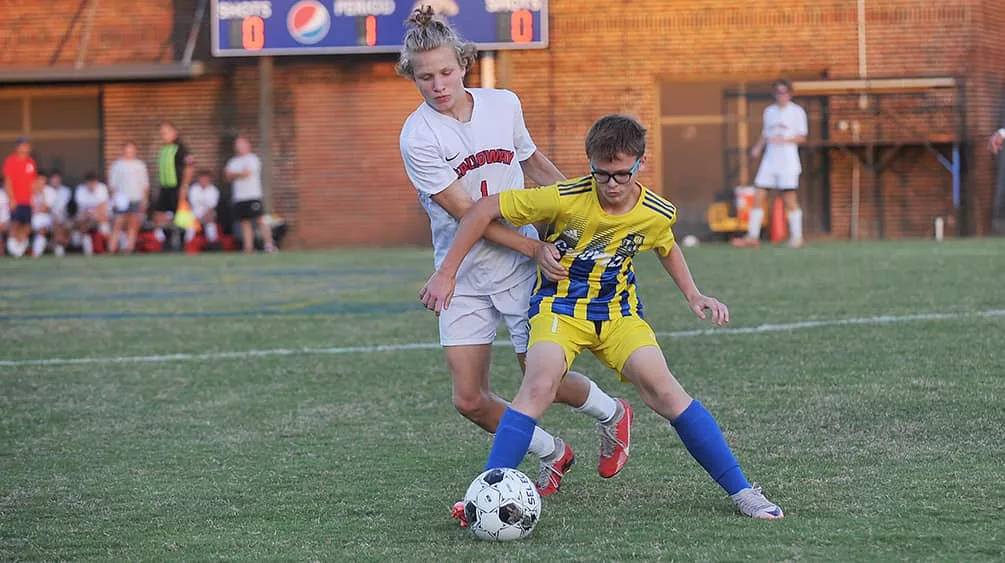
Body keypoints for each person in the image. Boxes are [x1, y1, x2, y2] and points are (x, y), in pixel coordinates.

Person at [421, 114, 785, 520]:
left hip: (618, 315)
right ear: (590, 164)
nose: (611, 184)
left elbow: (665, 246)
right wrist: (448, 271)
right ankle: (485, 495)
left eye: (622, 175)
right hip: (559, 309)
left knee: (665, 392)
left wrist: (693, 293)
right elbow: (483, 209)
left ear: (639, 165)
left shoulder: (655, 211)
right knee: (539, 384)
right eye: (602, 174)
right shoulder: (563, 196)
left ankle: (743, 491)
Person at [399, 5, 633, 505]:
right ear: (412, 78)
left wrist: (588, 206)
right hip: (465, 272)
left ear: (462, 63)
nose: (437, 85)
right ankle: (552, 451)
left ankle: (613, 414)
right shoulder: (418, 136)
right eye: (424, 78)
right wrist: (535, 244)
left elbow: (535, 166)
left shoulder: (504, 104)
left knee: (542, 377)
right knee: (469, 399)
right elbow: (471, 215)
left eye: (444, 72)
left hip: (522, 273)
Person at [733, 79, 808, 249]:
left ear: (790, 94)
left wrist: (784, 139)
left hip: (788, 161)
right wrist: (757, 148)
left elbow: (802, 137)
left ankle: (797, 237)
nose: (781, 96)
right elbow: (765, 134)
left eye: (784, 92)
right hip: (770, 160)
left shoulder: (797, 112)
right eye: (778, 92)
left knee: (789, 198)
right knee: (759, 194)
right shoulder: (769, 111)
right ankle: (752, 236)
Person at [224, 136, 276, 253]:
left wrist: (235, 174)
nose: (239, 147)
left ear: (248, 145)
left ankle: (269, 245)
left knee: (261, 220)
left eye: (242, 144)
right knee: (245, 223)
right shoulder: (233, 161)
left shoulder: (253, 159)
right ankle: (248, 247)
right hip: (239, 197)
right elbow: (227, 176)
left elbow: (246, 174)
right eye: (237, 144)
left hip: (252, 196)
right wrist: (238, 173)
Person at [154, 122, 195, 250]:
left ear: (174, 132)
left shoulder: (181, 148)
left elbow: (189, 167)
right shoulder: (163, 149)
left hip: (177, 188)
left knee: (180, 216)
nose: (163, 135)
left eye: (166, 132)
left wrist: (184, 186)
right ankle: (167, 241)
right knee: (162, 215)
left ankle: (182, 244)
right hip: (165, 187)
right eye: (162, 133)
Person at [107, 141, 150, 254]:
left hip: (136, 197)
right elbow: (113, 185)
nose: (129, 152)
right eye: (127, 149)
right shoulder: (117, 165)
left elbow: (145, 184)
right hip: (122, 199)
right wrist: (114, 199)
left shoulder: (140, 165)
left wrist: (144, 200)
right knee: (118, 223)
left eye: (132, 149)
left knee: (133, 224)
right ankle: (112, 247)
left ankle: (129, 247)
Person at [3, 136, 37, 257]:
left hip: (27, 200)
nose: (25, 147)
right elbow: (8, 181)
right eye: (23, 145)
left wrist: (33, 198)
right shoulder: (10, 161)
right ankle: (13, 250)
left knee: (26, 226)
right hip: (16, 200)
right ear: (17, 147)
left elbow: (32, 182)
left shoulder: (31, 162)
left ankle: (21, 249)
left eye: (27, 145)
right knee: (15, 225)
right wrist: (11, 198)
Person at [73, 172, 111, 256]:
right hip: (85, 219)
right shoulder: (80, 190)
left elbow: (103, 208)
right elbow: (82, 211)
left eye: (93, 183)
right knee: (83, 225)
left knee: (104, 227)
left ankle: (106, 249)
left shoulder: (102, 188)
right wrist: (90, 216)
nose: (91, 185)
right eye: (89, 183)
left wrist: (95, 215)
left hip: (100, 217)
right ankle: (88, 250)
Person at [187, 170, 220, 245]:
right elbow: (192, 204)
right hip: (195, 212)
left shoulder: (213, 190)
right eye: (202, 178)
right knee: (191, 221)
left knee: (210, 221)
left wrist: (205, 215)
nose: (204, 180)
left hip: (208, 212)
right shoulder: (193, 189)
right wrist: (198, 218)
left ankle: (213, 243)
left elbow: (212, 206)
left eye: (206, 179)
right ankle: (188, 243)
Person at [30, 170, 58, 257]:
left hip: (46, 219)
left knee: (43, 230)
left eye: (43, 180)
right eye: (38, 180)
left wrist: (42, 194)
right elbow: (29, 208)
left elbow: (46, 209)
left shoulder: (50, 191)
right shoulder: (28, 190)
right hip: (31, 219)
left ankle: (36, 254)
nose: (40, 182)